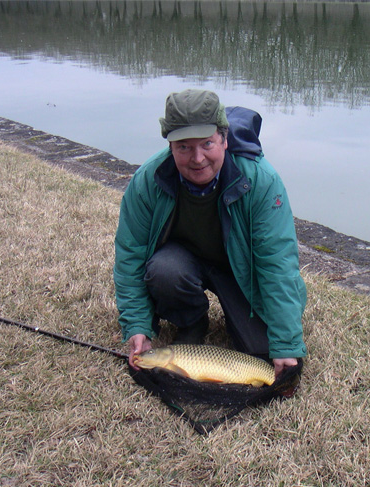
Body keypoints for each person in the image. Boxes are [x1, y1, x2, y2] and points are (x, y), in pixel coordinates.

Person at [114, 88, 307, 379]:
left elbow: (278, 264)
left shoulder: (261, 181)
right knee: (163, 271)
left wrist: (286, 343)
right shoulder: (147, 181)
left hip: (242, 273)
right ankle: (191, 321)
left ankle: (244, 319)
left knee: (262, 350)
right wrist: (138, 326)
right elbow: (130, 256)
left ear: (224, 139)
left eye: (207, 144)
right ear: (170, 147)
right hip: (183, 263)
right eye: (184, 147)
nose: (198, 158)